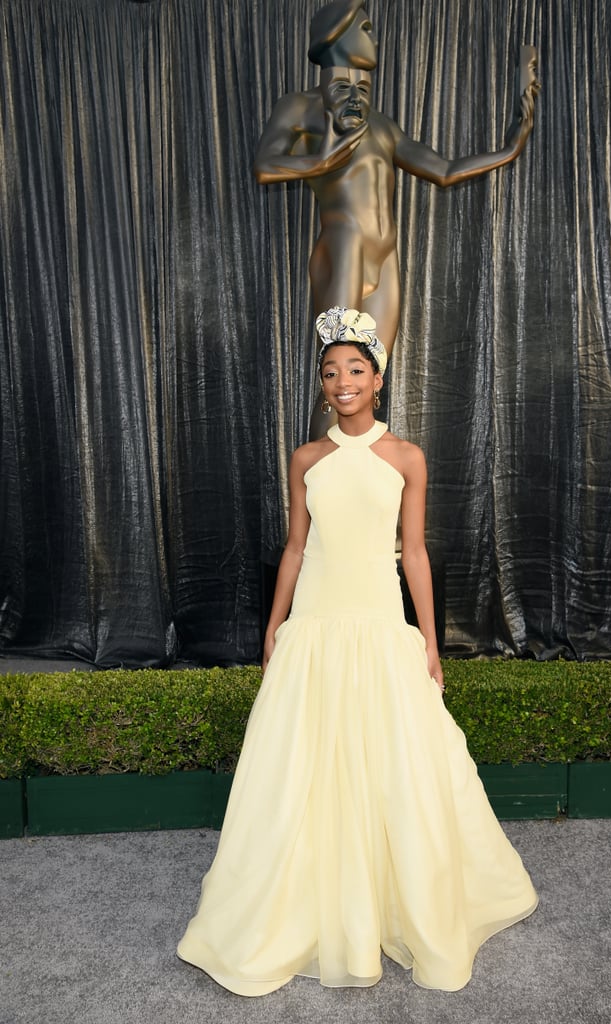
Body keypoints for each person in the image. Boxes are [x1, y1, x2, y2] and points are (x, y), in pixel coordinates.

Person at [177, 307, 538, 995]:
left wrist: (429, 642)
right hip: (313, 626)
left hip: (376, 625)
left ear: (377, 380)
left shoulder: (405, 457)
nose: (341, 381)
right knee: (298, 767)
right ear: (323, 386)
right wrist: (275, 625)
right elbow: (294, 547)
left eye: (354, 370)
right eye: (329, 372)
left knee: (393, 764)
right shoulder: (306, 458)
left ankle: (392, 904)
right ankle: (294, 910)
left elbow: (415, 555)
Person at [254, 2, 540, 435]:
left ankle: (363, 482)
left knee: (371, 380)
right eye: (365, 26)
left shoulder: (381, 125)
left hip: (385, 258)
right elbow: (265, 166)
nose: (374, 36)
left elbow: (443, 170)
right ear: (337, 32)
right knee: (337, 376)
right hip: (344, 248)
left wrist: (511, 146)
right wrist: (321, 159)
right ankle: (320, 492)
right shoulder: (302, 106)